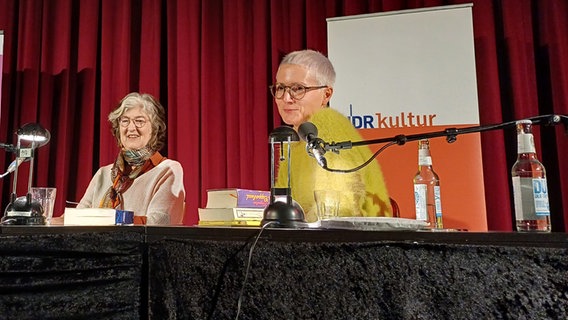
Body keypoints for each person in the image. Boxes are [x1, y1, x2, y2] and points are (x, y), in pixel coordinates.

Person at [272, 49, 393, 222]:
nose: (286, 98)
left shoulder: (328, 124)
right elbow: (283, 206)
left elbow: (336, 209)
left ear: (326, 94)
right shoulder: (293, 138)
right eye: (280, 88)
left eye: (298, 89)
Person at [76, 92, 185, 225]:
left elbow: (159, 222)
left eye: (139, 121)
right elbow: (77, 218)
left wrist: (112, 219)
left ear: (154, 129)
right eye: (125, 121)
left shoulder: (167, 169)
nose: (131, 128)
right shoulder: (103, 173)